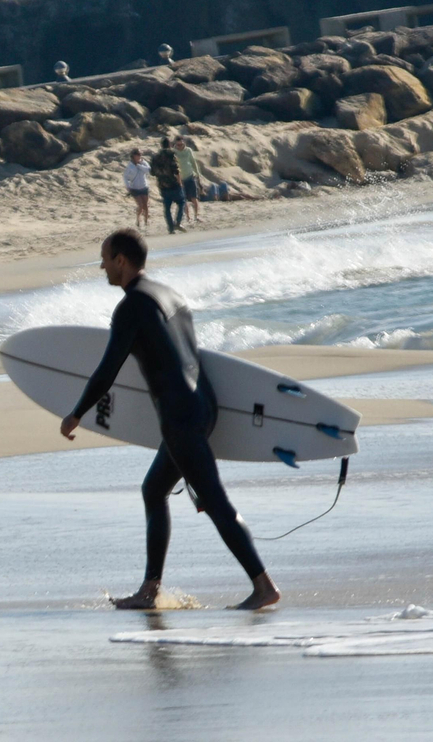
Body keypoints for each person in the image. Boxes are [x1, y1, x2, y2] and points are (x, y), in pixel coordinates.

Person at [60, 229, 279, 611]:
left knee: (215, 502)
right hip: (204, 405)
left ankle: (264, 586)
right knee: (153, 489)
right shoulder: (170, 295)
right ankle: (150, 589)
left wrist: (76, 413)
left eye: (105, 259)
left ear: (121, 261)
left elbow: (108, 369)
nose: (102, 266)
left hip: (179, 416)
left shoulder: (131, 307)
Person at [149, 137, 185, 234]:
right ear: (169, 145)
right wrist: (180, 182)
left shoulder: (155, 157)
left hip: (162, 185)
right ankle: (177, 222)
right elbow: (176, 170)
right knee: (181, 202)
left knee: (167, 208)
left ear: (161, 145)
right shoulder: (171, 154)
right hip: (174, 183)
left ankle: (170, 228)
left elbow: (152, 172)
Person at [174, 137, 203, 224]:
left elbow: (193, 162)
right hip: (180, 179)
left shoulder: (188, 150)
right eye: (178, 145)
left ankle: (196, 216)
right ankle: (188, 217)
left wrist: (198, 174)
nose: (180, 146)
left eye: (181, 144)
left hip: (190, 176)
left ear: (184, 143)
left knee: (194, 197)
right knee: (184, 199)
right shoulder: (174, 152)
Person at [123, 149, 152, 229]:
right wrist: (128, 186)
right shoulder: (130, 166)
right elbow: (125, 177)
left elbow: (148, 170)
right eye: (138, 154)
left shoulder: (143, 162)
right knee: (140, 205)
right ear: (133, 156)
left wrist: (139, 165)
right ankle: (138, 219)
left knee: (146, 205)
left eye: (140, 154)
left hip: (144, 187)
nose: (139, 156)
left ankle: (146, 221)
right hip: (134, 188)